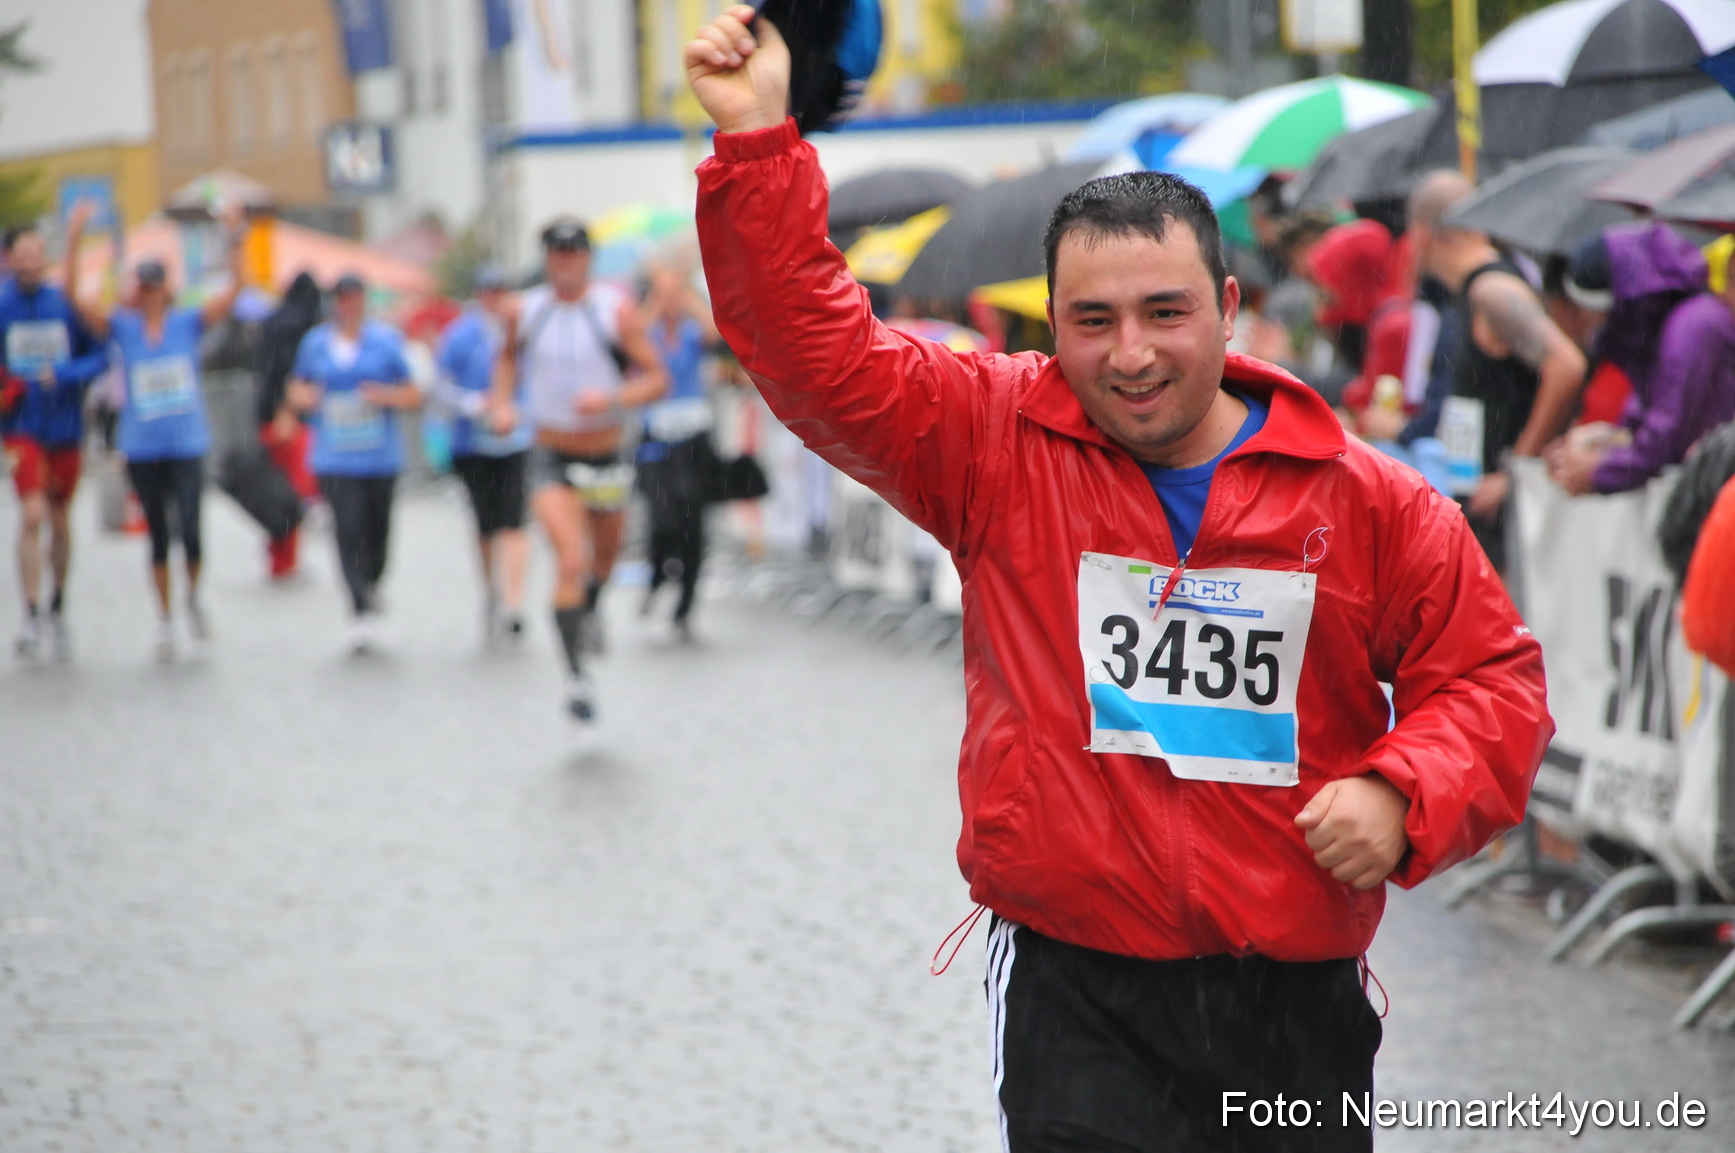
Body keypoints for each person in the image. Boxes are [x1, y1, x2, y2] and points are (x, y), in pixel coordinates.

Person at [684, 12, 1551, 1151]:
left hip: (1291, 999)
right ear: (1052, 326)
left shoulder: (1364, 497)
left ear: (1230, 313)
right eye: (1091, 322)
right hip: (1078, 996)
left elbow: (1491, 683)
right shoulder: (992, 441)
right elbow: (812, 351)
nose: (1130, 353)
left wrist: (1401, 789)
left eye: (1163, 314)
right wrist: (756, 140)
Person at [487, 219, 666, 720]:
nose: (566, 262)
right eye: (557, 253)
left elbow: (655, 379)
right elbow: (505, 363)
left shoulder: (615, 310)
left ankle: (590, 609)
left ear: (588, 258)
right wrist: (502, 404)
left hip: (606, 453)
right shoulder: (525, 311)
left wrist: (610, 396)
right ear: (547, 259)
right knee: (570, 558)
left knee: (601, 562)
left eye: (575, 253)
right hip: (550, 451)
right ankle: (577, 680)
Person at [63, 202, 244, 660]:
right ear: (136, 291)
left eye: (156, 286)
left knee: (193, 528)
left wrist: (234, 237)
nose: (150, 294)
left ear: (167, 289)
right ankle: (164, 618)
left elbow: (234, 291)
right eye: (143, 287)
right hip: (142, 447)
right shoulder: (123, 328)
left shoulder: (186, 323)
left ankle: (193, 597)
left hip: (187, 441)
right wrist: (73, 240)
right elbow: (74, 300)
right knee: (159, 533)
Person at [1409, 170, 1586, 570]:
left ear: (1421, 234)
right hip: (1482, 499)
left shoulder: (1492, 290)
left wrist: (1516, 469)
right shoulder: (1472, 290)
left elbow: (1567, 366)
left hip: (1509, 511)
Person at [1545, 224, 1735, 495]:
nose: (1593, 325)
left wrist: (1600, 471)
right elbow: (1646, 416)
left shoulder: (1692, 326)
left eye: (1595, 314)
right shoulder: (1663, 328)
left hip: (1709, 495)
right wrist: (1606, 442)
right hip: (1700, 492)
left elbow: (1667, 432)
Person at [287, 274, 421, 654]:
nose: (348, 306)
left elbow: (412, 393)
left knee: (377, 532)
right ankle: (359, 606)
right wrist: (307, 398)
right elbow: (296, 388)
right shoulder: (315, 344)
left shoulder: (385, 341)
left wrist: (383, 396)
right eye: (342, 299)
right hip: (334, 454)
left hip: (378, 455)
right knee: (347, 528)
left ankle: (372, 582)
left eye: (354, 299)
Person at [0, 221, 110, 658]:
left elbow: (101, 353)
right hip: (21, 427)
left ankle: (57, 604)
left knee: (60, 518)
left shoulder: (63, 303)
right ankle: (28, 611)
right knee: (32, 514)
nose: (30, 264)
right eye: (21, 257)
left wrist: (64, 374)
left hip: (64, 426)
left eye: (36, 256)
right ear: (9, 260)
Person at [436, 265, 529, 644]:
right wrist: (473, 404)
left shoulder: (522, 330)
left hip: (514, 440)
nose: (494, 299)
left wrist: (518, 409)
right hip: (473, 441)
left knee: (514, 521)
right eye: (488, 292)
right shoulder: (461, 336)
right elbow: (440, 385)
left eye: (500, 291)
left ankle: (514, 600)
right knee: (486, 523)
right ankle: (491, 587)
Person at [636, 266, 721, 640]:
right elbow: (629, 336)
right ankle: (657, 573)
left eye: (675, 293)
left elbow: (714, 334)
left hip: (694, 435)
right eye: (662, 292)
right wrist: (657, 302)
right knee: (662, 518)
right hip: (656, 433)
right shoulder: (649, 330)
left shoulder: (691, 331)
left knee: (694, 522)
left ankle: (686, 605)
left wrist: (688, 299)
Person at [255, 271, 324, 578]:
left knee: (274, 490)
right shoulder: (301, 326)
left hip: (265, 413)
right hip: (289, 417)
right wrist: (287, 411)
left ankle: (278, 554)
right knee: (291, 491)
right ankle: (287, 557)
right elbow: (286, 371)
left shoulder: (271, 321)